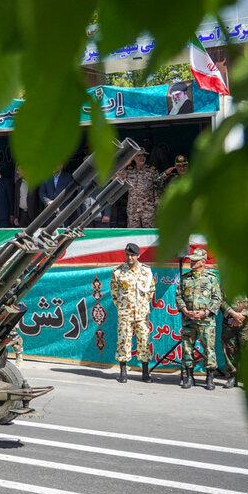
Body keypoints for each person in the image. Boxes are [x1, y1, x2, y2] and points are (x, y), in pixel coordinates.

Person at [176, 247, 223, 390]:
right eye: (191, 260)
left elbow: (217, 298)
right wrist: (186, 311)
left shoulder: (211, 278)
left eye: (195, 261)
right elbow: (179, 296)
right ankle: (190, 377)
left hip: (206, 321)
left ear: (203, 262)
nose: (191, 263)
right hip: (189, 320)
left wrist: (206, 312)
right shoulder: (185, 278)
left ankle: (210, 378)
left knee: (209, 349)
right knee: (187, 349)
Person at [110, 242, 154, 383]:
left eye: (132, 255)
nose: (129, 258)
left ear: (138, 256)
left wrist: (143, 305)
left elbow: (151, 291)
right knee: (123, 341)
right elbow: (114, 294)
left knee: (144, 341)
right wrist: (123, 308)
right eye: (127, 255)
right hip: (125, 314)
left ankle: (145, 373)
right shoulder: (118, 272)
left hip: (142, 314)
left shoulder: (146, 271)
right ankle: (123, 373)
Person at [118, 150, 159, 228]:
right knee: (133, 233)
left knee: (148, 233)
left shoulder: (151, 171)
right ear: (134, 158)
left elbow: (157, 189)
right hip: (133, 209)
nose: (141, 158)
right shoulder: (129, 171)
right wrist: (128, 162)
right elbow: (117, 176)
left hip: (148, 209)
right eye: (138, 155)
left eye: (143, 155)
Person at [219, 296, 248, 389]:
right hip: (229, 322)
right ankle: (233, 376)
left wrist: (243, 315)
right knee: (229, 349)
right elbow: (220, 299)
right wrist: (233, 314)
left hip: (247, 323)